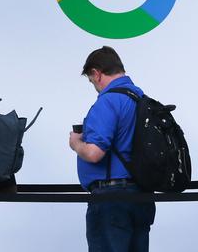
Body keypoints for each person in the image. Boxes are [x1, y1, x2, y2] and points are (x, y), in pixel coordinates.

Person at [69, 46, 155, 252]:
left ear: (96, 74)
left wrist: (76, 143)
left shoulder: (108, 101)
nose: (94, 86)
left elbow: (94, 153)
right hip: (141, 195)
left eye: (91, 81)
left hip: (111, 199)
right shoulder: (140, 98)